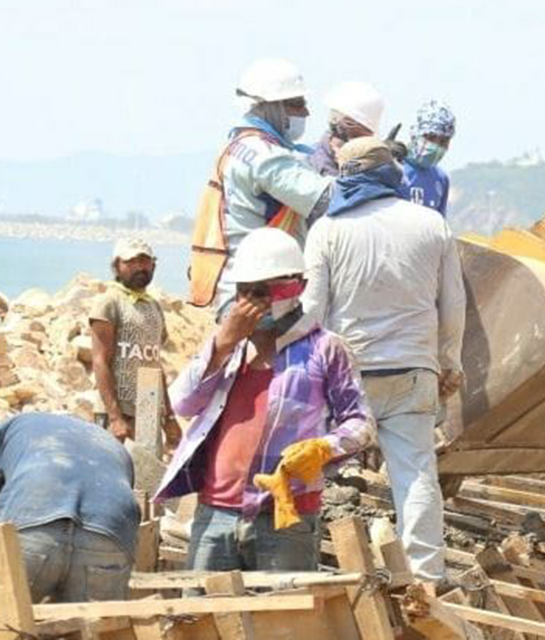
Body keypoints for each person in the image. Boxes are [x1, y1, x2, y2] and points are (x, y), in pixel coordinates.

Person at [157, 228, 374, 572]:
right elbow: (182, 402)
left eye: (262, 292)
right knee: (200, 617)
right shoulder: (230, 348)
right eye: (244, 293)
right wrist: (222, 344)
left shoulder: (324, 349)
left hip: (286, 516)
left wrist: (323, 448)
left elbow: (360, 424)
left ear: (297, 287)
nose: (252, 305)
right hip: (216, 514)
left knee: (281, 620)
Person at [303, 137, 465, 585]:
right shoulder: (431, 224)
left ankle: (303, 561)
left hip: (348, 376)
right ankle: (427, 577)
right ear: (390, 171)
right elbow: (453, 305)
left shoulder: (328, 230)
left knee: (312, 463)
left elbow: (312, 310)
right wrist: (448, 362)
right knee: (416, 476)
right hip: (414, 371)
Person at [188, 58, 335, 312]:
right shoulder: (264, 155)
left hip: (247, 285)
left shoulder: (243, 145)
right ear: (273, 106)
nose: (306, 113)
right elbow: (324, 200)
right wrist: (370, 173)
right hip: (258, 294)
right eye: (297, 104)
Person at [0, 413, 140, 603]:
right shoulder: (114, 446)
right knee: (102, 631)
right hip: (110, 536)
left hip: (33, 528)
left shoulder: (0, 431)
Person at [89, 238, 180, 449]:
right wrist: (114, 418)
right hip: (117, 410)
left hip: (148, 405)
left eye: (145, 261)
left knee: (146, 478)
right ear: (116, 267)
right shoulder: (109, 302)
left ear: (154, 265)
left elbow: (154, 363)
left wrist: (169, 417)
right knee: (112, 477)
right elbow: (100, 361)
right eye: (131, 262)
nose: (139, 267)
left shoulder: (153, 306)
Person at [309, 81, 386, 176]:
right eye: (357, 136)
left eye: (367, 139)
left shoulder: (369, 166)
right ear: (338, 127)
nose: (362, 144)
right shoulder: (308, 163)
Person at [401, 100, 456, 215]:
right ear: (415, 134)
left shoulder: (441, 178)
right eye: (430, 137)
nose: (436, 146)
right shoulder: (392, 168)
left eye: (443, 141)